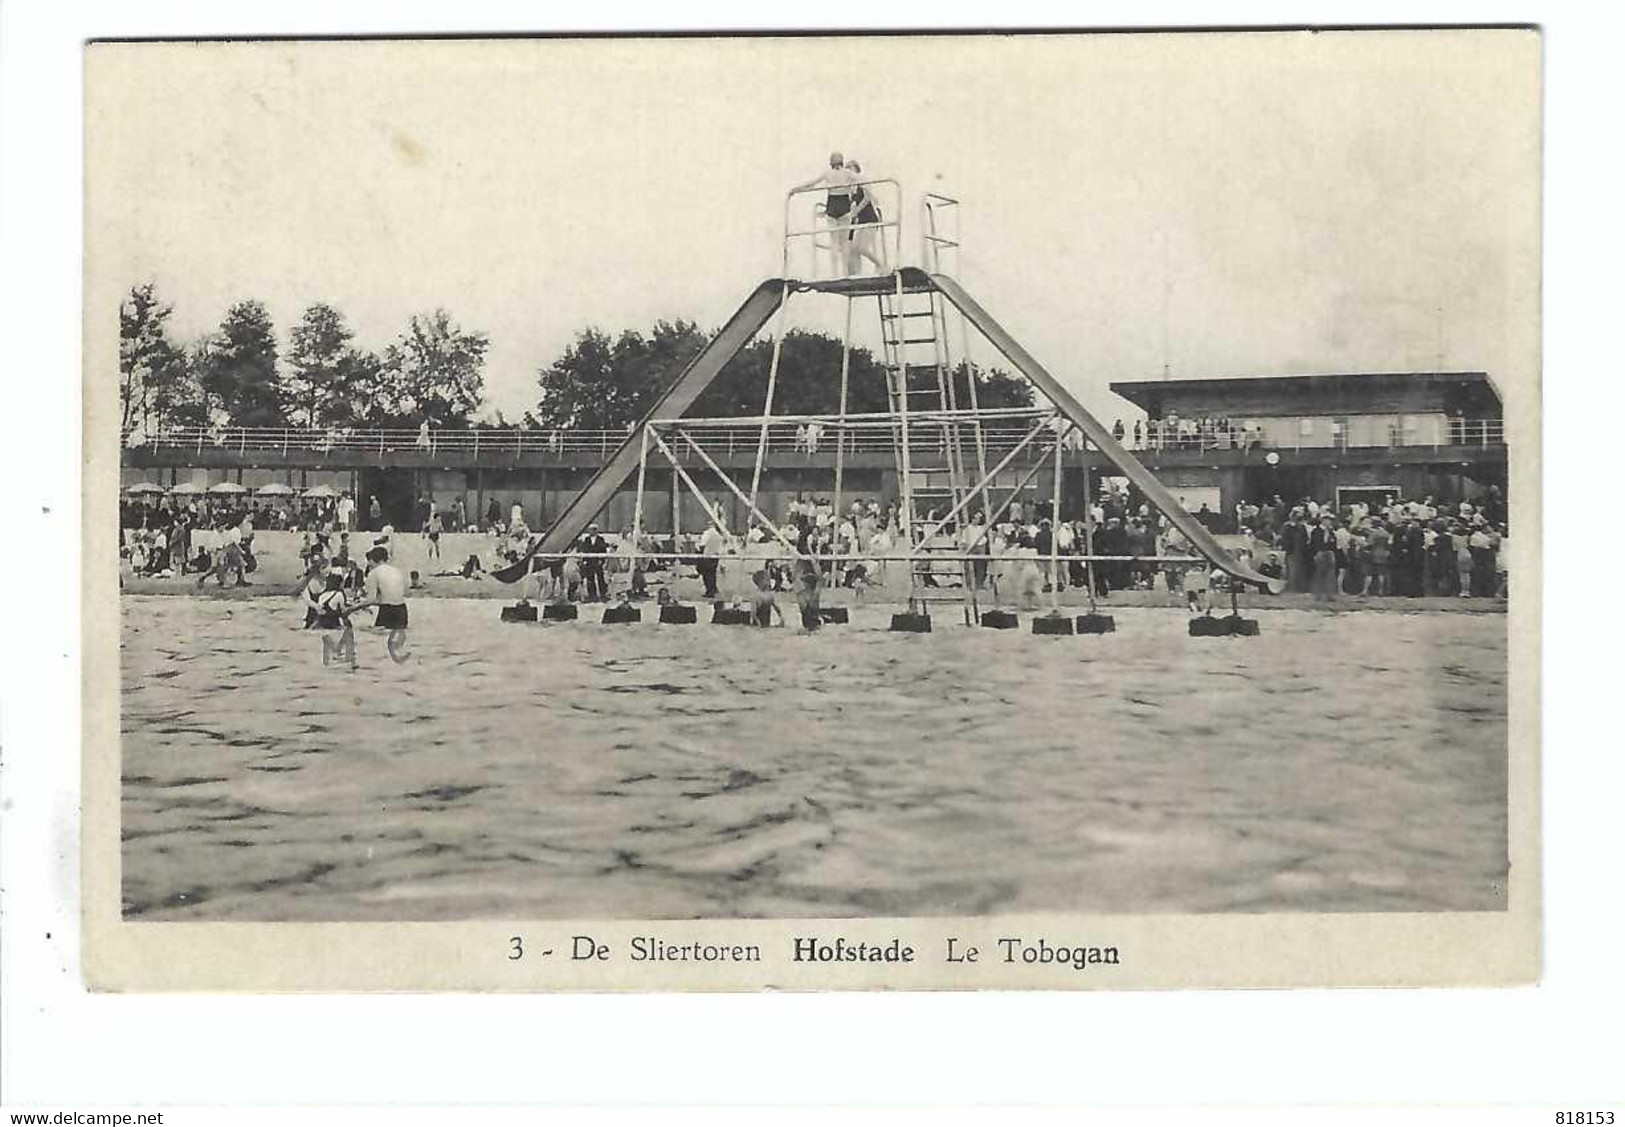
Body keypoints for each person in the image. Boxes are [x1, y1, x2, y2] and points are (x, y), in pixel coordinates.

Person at [790, 152, 859, 277]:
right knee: (843, 242)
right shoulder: (847, 173)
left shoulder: (828, 173)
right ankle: (844, 272)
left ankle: (834, 274)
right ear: (842, 162)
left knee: (834, 241)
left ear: (831, 163)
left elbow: (811, 183)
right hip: (844, 206)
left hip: (832, 207)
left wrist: (796, 189)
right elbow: (861, 179)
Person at [352, 546, 411, 663]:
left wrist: (353, 608)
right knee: (397, 636)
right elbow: (400, 593)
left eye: (369, 562)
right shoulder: (396, 571)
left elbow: (371, 600)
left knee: (378, 640)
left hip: (387, 611)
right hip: (402, 610)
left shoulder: (374, 573)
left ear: (372, 560)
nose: (368, 565)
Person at [843, 159, 887, 275]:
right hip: (861, 222)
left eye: (849, 168)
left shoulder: (861, 181)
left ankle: (881, 265)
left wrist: (856, 211)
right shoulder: (851, 189)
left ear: (856, 170)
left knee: (862, 248)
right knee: (853, 249)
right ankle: (856, 274)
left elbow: (868, 197)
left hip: (870, 219)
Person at [314, 572, 358, 671]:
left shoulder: (322, 595)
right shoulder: (339, 594)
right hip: (333, 623)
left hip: (321, 623)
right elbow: (343, 611)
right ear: (339, 583)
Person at [578, 523, 610, 601]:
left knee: (600, 578)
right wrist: (585, 560)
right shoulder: (587, 539)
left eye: (593, 530)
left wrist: (601, 560)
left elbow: (603, 550)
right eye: (590, 530)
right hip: (589, 562)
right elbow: (584, 550)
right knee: (590, 579)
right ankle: (592, 595)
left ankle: (603, 595)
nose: (591, 532)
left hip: (597, 562)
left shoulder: (600, 539)